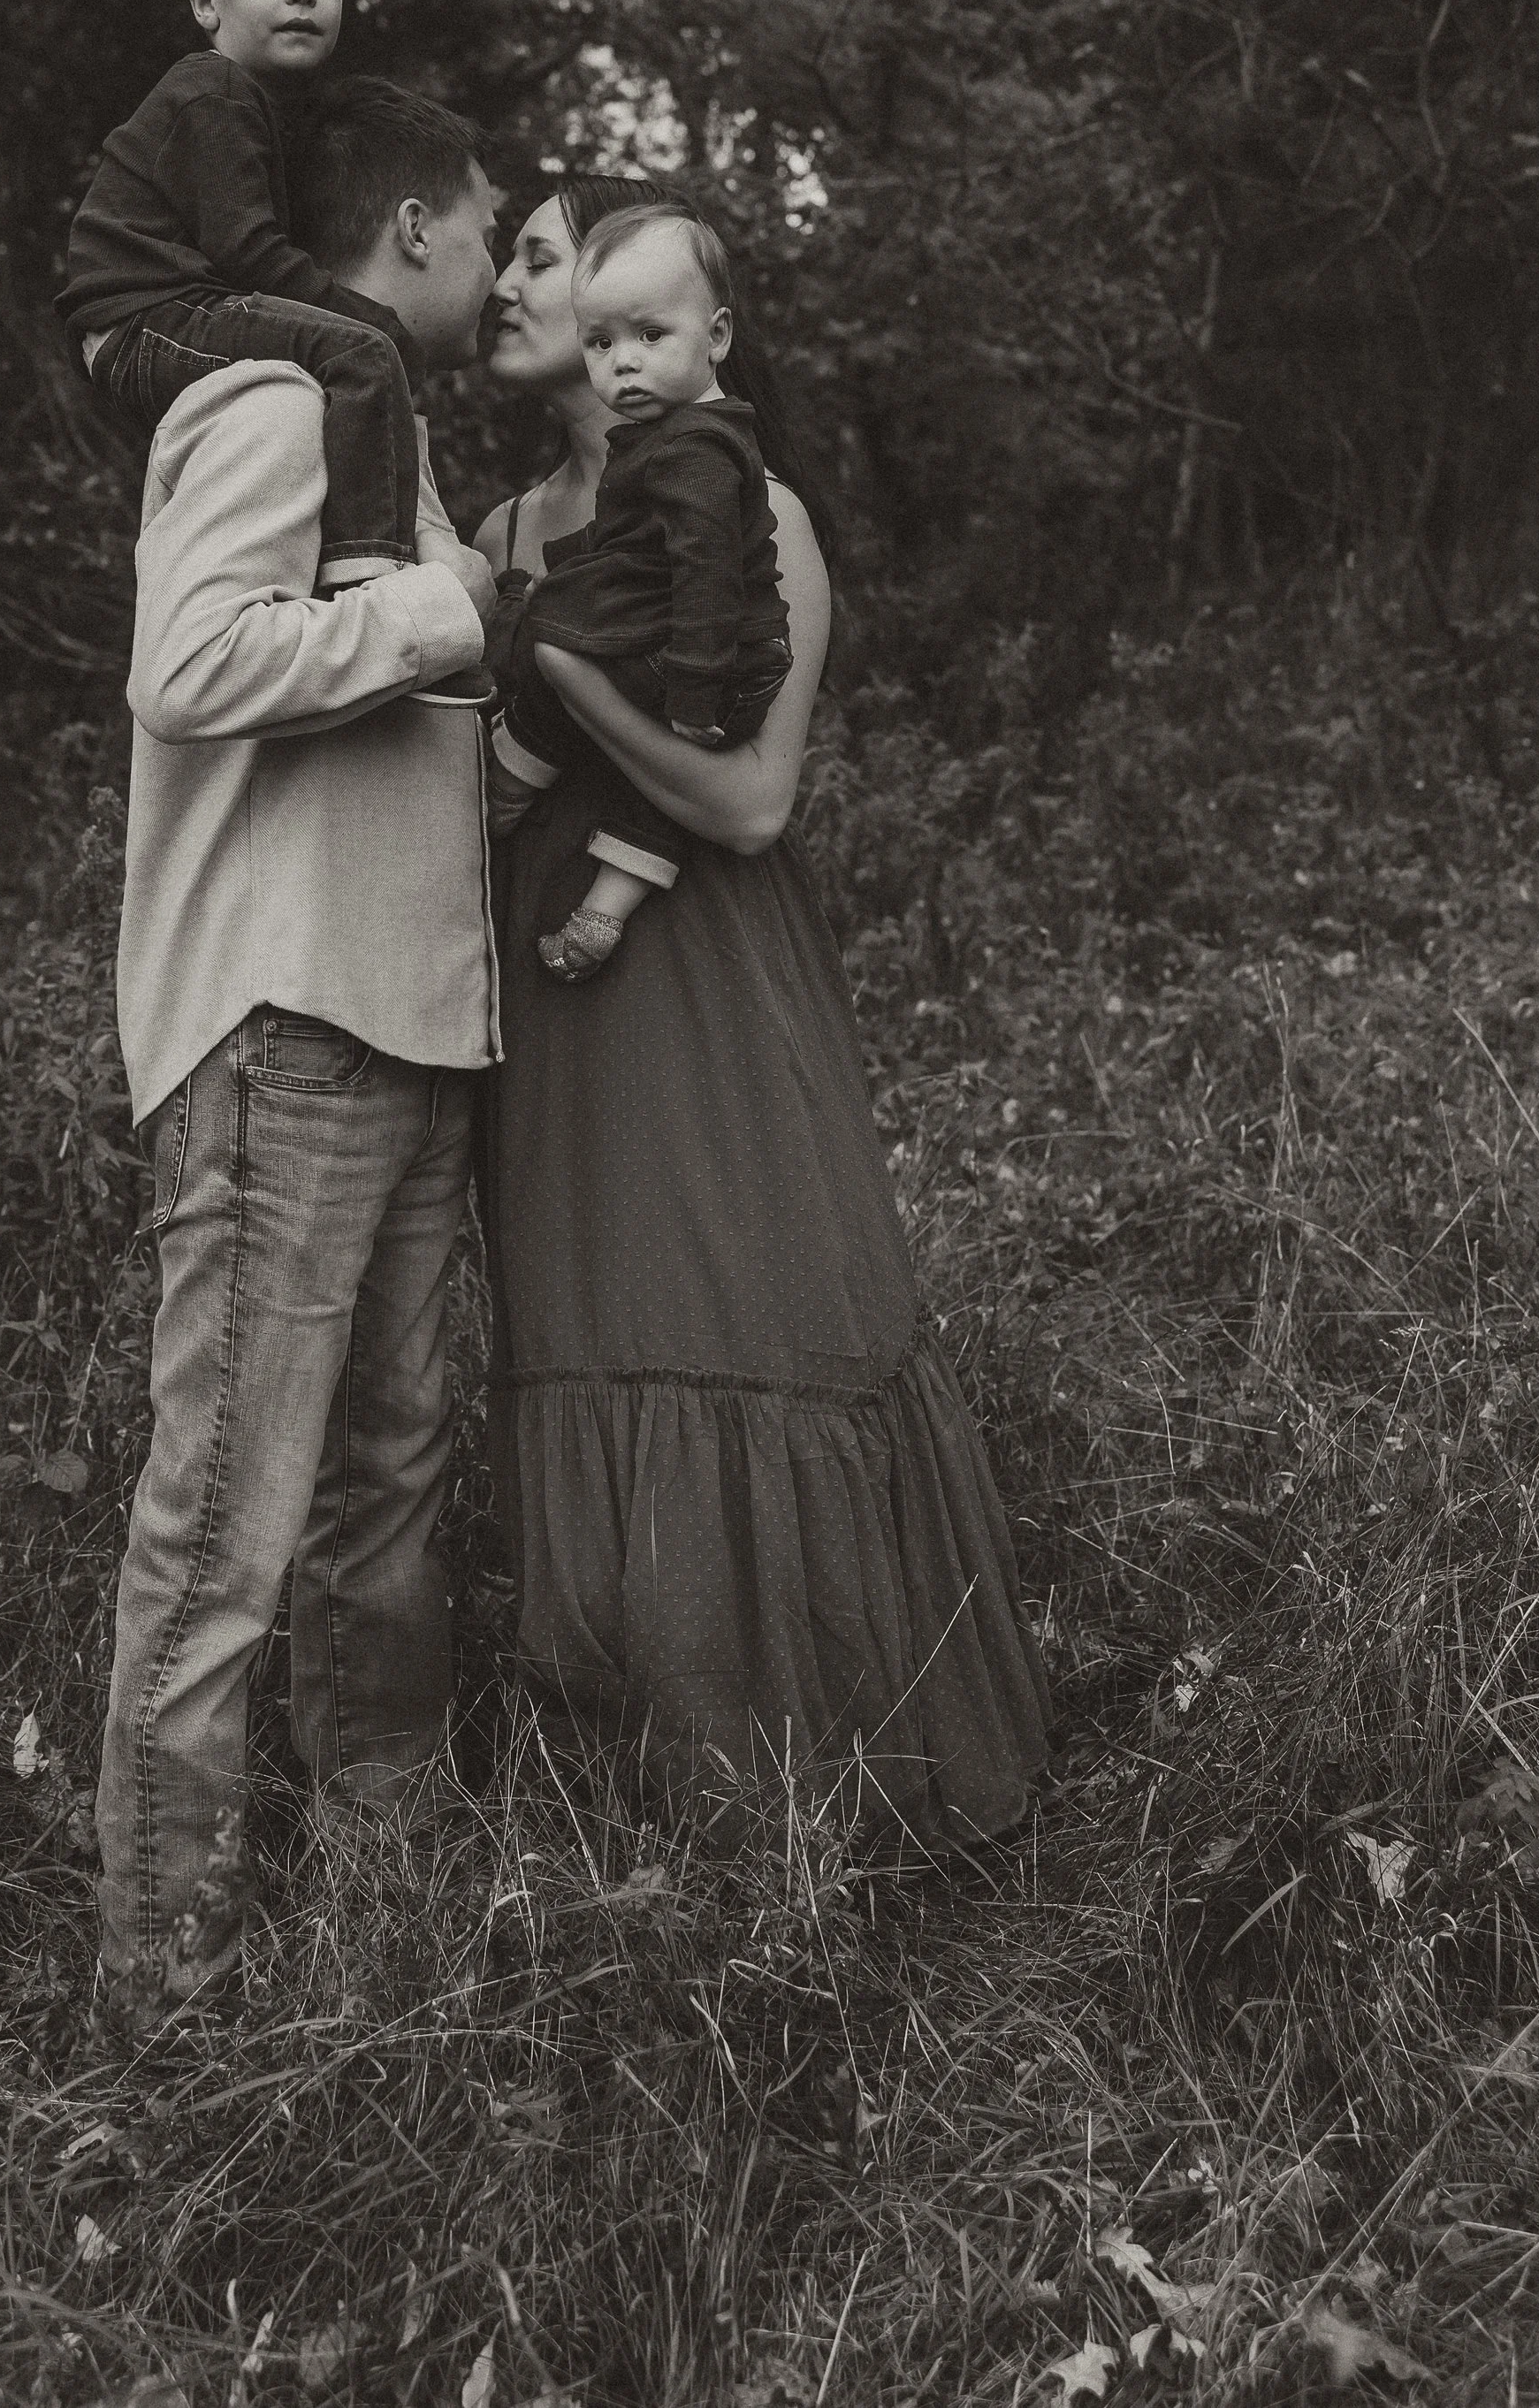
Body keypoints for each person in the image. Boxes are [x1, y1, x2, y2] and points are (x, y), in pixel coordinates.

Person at [475, 177, 1051, 1843]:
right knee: (586, 1332)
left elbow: (748, 804)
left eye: (545, 257)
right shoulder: (504, 532)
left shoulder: (757, 510)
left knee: (751, 1310)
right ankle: (647, 1784)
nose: (517, 287)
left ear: (658, 317)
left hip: (700, 968)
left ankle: (839, 1782)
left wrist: (571, 684)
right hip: (546, 985)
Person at [93, 78, 503, 2036]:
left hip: (401, 1035)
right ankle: (163, 1991)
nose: (499, 267)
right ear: (409, 229)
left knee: (382, 1496)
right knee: (228, 1528)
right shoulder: (271, 404)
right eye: (488, 228)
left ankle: (386, 1898)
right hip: (285, 1036)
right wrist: (442, 612)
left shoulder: (387, 439)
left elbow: (403, 709)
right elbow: (189, 665)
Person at [59, 0, 437, 597]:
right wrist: (375, 321)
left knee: (335, 363)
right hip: (144, 316)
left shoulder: (265, 106)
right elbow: (249, 253)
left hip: (168, 315)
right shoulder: (213, 91)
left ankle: (334, 553)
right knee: (364, 352)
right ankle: (368, 579)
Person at [487, 204, 791, 981]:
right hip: (693, 662)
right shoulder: (520, 517)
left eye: (649, 336)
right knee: (569, 644)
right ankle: (599, 908)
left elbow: (705, 573)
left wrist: (691, 684)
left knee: (555, 634)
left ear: (716, 336)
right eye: (603, 342)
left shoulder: (696, 453)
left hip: (703, 663)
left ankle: (506, 781)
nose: (623, 362)